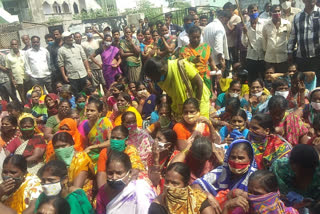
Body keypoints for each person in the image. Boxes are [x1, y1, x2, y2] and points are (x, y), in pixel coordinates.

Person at [144, 57, 211, 120]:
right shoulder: (160, 78)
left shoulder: (182, 65)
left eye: (154, 78)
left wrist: (196, 104)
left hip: (198, 100)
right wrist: (169, 111)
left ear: (162, 71)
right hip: (179, 108)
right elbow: (169, 93)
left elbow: (199, 83)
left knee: (201, 127)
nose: (154, 81)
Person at [193, 139, 257, 196]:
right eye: (233, 157)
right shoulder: (221, 171)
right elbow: (195, 185)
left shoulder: (254, 177)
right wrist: (208, 196)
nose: (236, 161)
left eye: (241, 158)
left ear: (250, 160)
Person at [27, 160, 94, 214]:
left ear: (65, 179)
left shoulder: (75, 196)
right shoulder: (43, 196)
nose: (46, 184)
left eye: (51, 180)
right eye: (43, 180)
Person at [149, 162, 214, 214]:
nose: (169, 186)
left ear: (186, 184)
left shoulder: (198, 199)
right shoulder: (158, 206)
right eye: (167, 181)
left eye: (175, 183)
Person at [51, 132, 94, 201]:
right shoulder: (54, 158)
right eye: (57, 147)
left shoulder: (81, 159)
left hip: (80, 194)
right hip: (59, 192)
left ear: (72, 144)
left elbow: (76, 188)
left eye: (63, 146)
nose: (60, 149)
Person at [288, 0, 320, 86]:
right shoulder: (298, 17)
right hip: (302, 57)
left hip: (318, 56)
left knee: (318, 84)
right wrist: (290, 52)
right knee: (304, 83)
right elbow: (293, 35)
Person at [179, 26, 218, 91]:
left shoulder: (205, 47)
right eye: (193, 37)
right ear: (189, 36)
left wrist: (214, 67)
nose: (196, 39)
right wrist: (192, 61)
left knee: (207, 95)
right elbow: (181, 65)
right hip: (192, 77)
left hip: (206, 76)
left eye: (198, 37)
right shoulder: (184, 50)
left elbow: (210, 60)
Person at [78, 97, 113, 167]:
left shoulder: (105, 122)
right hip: (91, 154)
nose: (88, 113)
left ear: (99, 113)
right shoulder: (85, 125)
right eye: (87, 110)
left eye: (92, 111)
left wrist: (93, 147)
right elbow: (85, 144)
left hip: (104, 153)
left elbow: (111, 141)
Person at [203, 10, 230, 85]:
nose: (226, 23)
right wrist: (222, 63)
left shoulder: (208, 26)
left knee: (210, 83)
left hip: (208, 60)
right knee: (219, 84)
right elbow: (218, 48)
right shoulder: (219, 28)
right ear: (222, 18)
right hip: (217, 62)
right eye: (226, 20)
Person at [262, 5, 291, 73]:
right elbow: (264, 41)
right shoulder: (266, 26)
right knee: (271, 79)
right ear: (270, 13)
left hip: (283, 58)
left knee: (282, 79)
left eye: (278, 11)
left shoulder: (287, 24)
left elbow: (290, 39)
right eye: (274, 11)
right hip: (270, 59)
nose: (277, 13)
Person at [242, 4, 266, 83]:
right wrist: (245, 33)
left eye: (255, 11)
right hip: (251, 57)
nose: (253, 13)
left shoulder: (264, 24)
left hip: (263, 56)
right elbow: (245, 43)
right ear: (248, 13)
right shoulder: (246, 26)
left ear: (258, 11)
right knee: (252, 79)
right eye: (251, 11)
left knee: (264, 77)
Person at [5, 39, 26, 104]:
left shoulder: (24, 53)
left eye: (15, 44)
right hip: (18, 79)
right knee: (22, 95)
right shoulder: (8, 56)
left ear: (18, 45)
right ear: (10, 46)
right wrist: (13, 80)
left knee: (30, 93)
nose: (14, 46)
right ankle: (26, 109)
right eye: (12, 44)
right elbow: (9, 69)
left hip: (27, 77)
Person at [224, 2, 241, 68]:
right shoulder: (225, 17)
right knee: (227, 61)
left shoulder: (236, 18)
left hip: (234, 44)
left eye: (227, 10)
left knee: (235, 61)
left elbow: (231, 30)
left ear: (231, 9)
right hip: (226, 43)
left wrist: (226, 23)